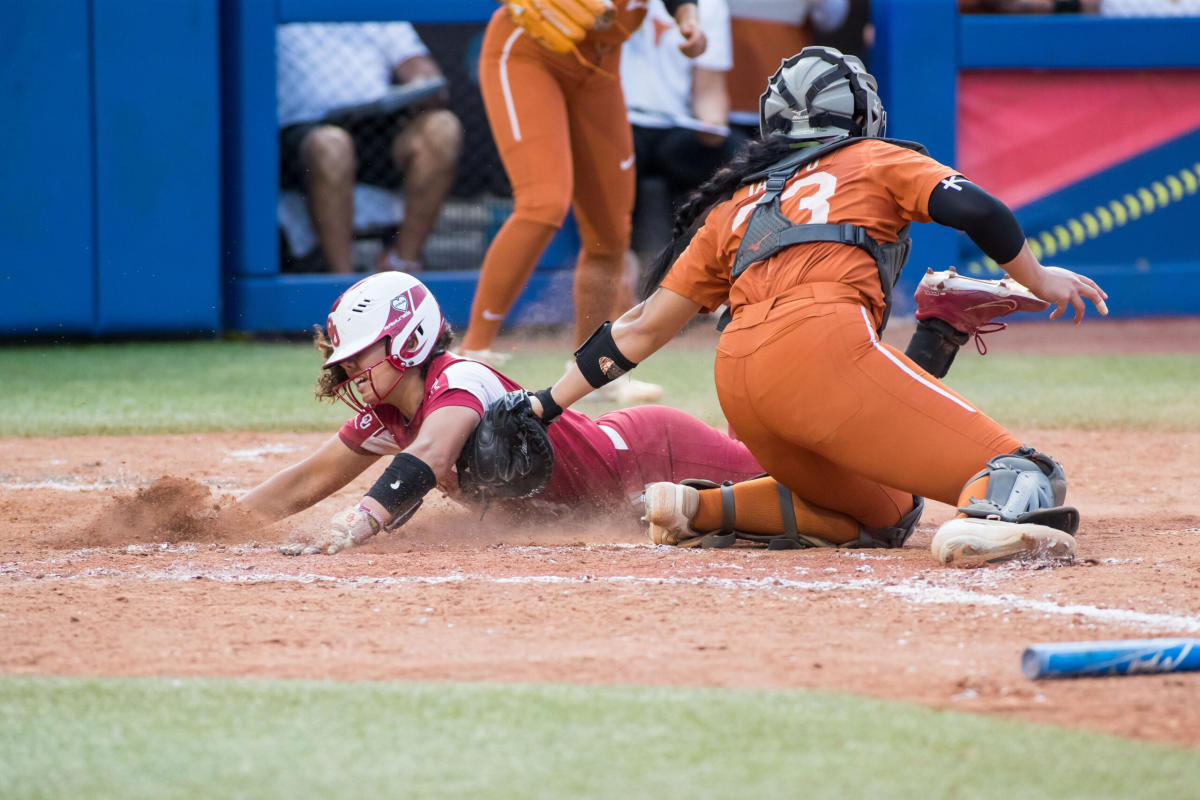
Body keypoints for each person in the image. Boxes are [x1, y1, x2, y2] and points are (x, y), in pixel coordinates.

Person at [525, 47, 1109, 567]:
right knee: (1029, 473)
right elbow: (979, 211)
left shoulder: (737, 204)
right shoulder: (875, 157)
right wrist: (1037, 277)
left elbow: (641, 328)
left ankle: (698, 507)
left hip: (739, 380)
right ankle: (993, 525)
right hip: (822, 349)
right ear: (859, 118)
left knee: (885, 514)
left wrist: (545, 403)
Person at [222, 271, 765, 556]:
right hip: (614, 475)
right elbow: (306, 480)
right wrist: (214, 526)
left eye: (361, 354)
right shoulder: (389, 410)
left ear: (409, 340)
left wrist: (359, 520)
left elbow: (432, 455)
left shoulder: (460, 379)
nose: (350, 372)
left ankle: (761, 365)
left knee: (790, 485)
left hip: (650, 454)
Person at [457, 0, 707, 404]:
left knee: (609, 231)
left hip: (599, 66)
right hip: (528, 49)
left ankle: (589, 372)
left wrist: (687, 17)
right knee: (543, 205)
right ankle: (470, 356)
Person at [276, 22, 463, 274]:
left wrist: (425, 81)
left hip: (374, 126)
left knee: (442, 126)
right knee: (332, 144)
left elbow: (415, 62)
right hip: (302, 133)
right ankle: (344, 282)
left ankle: (402, 265)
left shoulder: (374, 9)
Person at [621, 0, 740, 250]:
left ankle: (708, 255)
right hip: (619, 122)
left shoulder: (711, 7)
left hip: (676, 128)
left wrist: (712, 126)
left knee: (742, 162)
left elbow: (709, 92)